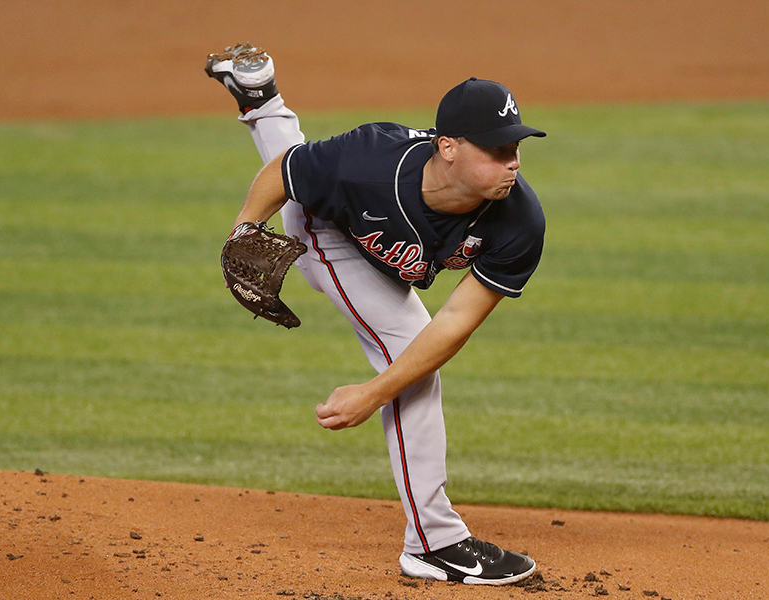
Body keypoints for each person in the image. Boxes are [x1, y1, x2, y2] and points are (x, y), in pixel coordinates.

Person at [206, 43, 546, 586]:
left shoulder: (520, 222)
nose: (513, 162)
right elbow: (287, 173)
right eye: (498, 150)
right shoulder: (368, 159)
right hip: (333, 235)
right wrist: (242, 232)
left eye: (516, 148)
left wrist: (374, 391)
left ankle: (260, 98)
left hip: (376, 245)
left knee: (408, 364)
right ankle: (433, 543)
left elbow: (456, 323)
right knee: (411, 356)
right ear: (449, 148)